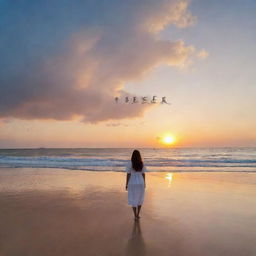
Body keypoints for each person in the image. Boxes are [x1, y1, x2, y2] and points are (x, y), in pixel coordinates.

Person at [125, 149, 147, 220]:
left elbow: (128, 174)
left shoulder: (130, 163)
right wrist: (144, 183)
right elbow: (143, 174)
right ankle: (138, 214)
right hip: (140, 182)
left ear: (132, 156)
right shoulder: (142, 163)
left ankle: (135, 215)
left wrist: (126, 184)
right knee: (140, 198)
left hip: (132, 182)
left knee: (133, 198)